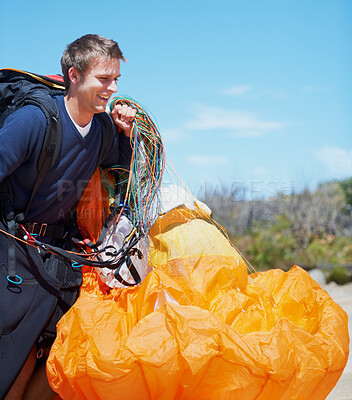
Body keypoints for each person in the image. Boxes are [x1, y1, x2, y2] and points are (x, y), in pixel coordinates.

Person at [0, 34, 137, 399]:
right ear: (73, 76)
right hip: (13, 254)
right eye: (104, 79)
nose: (113, 88)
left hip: (59, 259)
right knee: (10, 362)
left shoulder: (103, 129)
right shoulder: (34, 121)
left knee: (57, 362)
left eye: (116, 80)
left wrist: (125, 134)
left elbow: (120, 173)